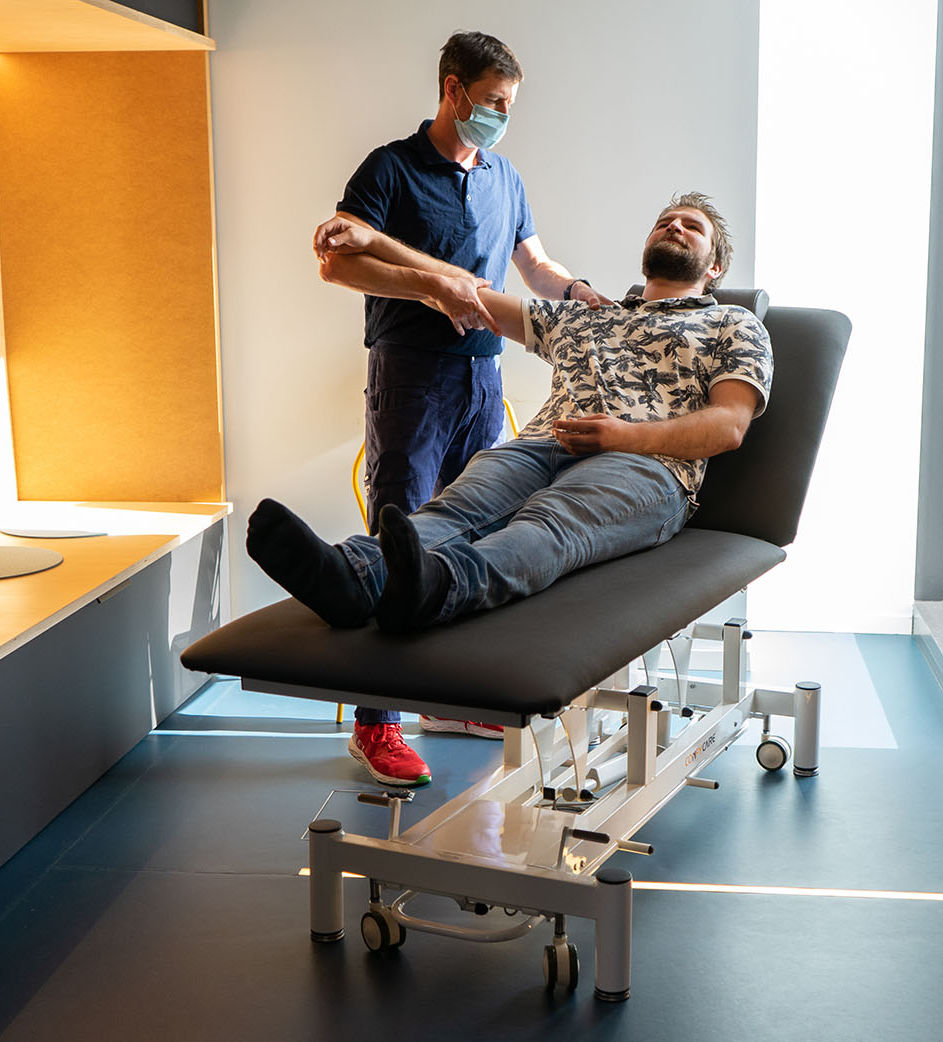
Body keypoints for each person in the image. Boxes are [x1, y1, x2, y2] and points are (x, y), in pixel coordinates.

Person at [253, 193, 772, 786]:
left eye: (693, 226)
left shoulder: (733, 323)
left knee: (547, 527)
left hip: (647, 465)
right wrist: (374, 242)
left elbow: (728, 427)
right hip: (544, 446)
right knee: (458, 506)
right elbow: (460, 291)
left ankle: (439, 588)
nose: (675, 226)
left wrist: (626, 436)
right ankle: (353, 576)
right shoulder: (589, 315)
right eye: (665, 220)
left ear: (715, 266)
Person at [315, 30, 606, 746]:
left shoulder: (505, 176)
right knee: (402, 534)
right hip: (411, 379)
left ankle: (448, 696)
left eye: (509, 104)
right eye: (494, 102)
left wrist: (577, 293)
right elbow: (337, 260)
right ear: (453, 90)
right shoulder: (390, 169)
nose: (502, 115)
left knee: (479, 530)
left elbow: (532, 267)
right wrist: (433, 285)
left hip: (484, 375)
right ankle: (377, 723)